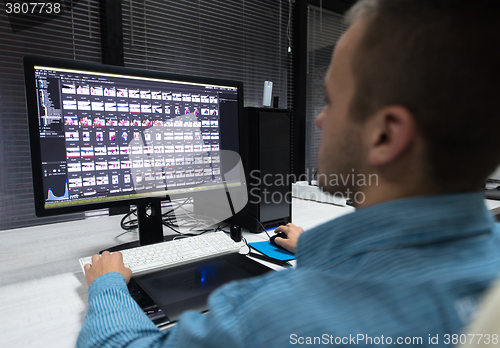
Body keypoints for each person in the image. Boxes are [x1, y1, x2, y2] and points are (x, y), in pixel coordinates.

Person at [77, 0, 500, 346]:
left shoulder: (282, 317)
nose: (318, 120)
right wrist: (314, 246)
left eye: (332, 100)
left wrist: (108, 285)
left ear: (385, 136)